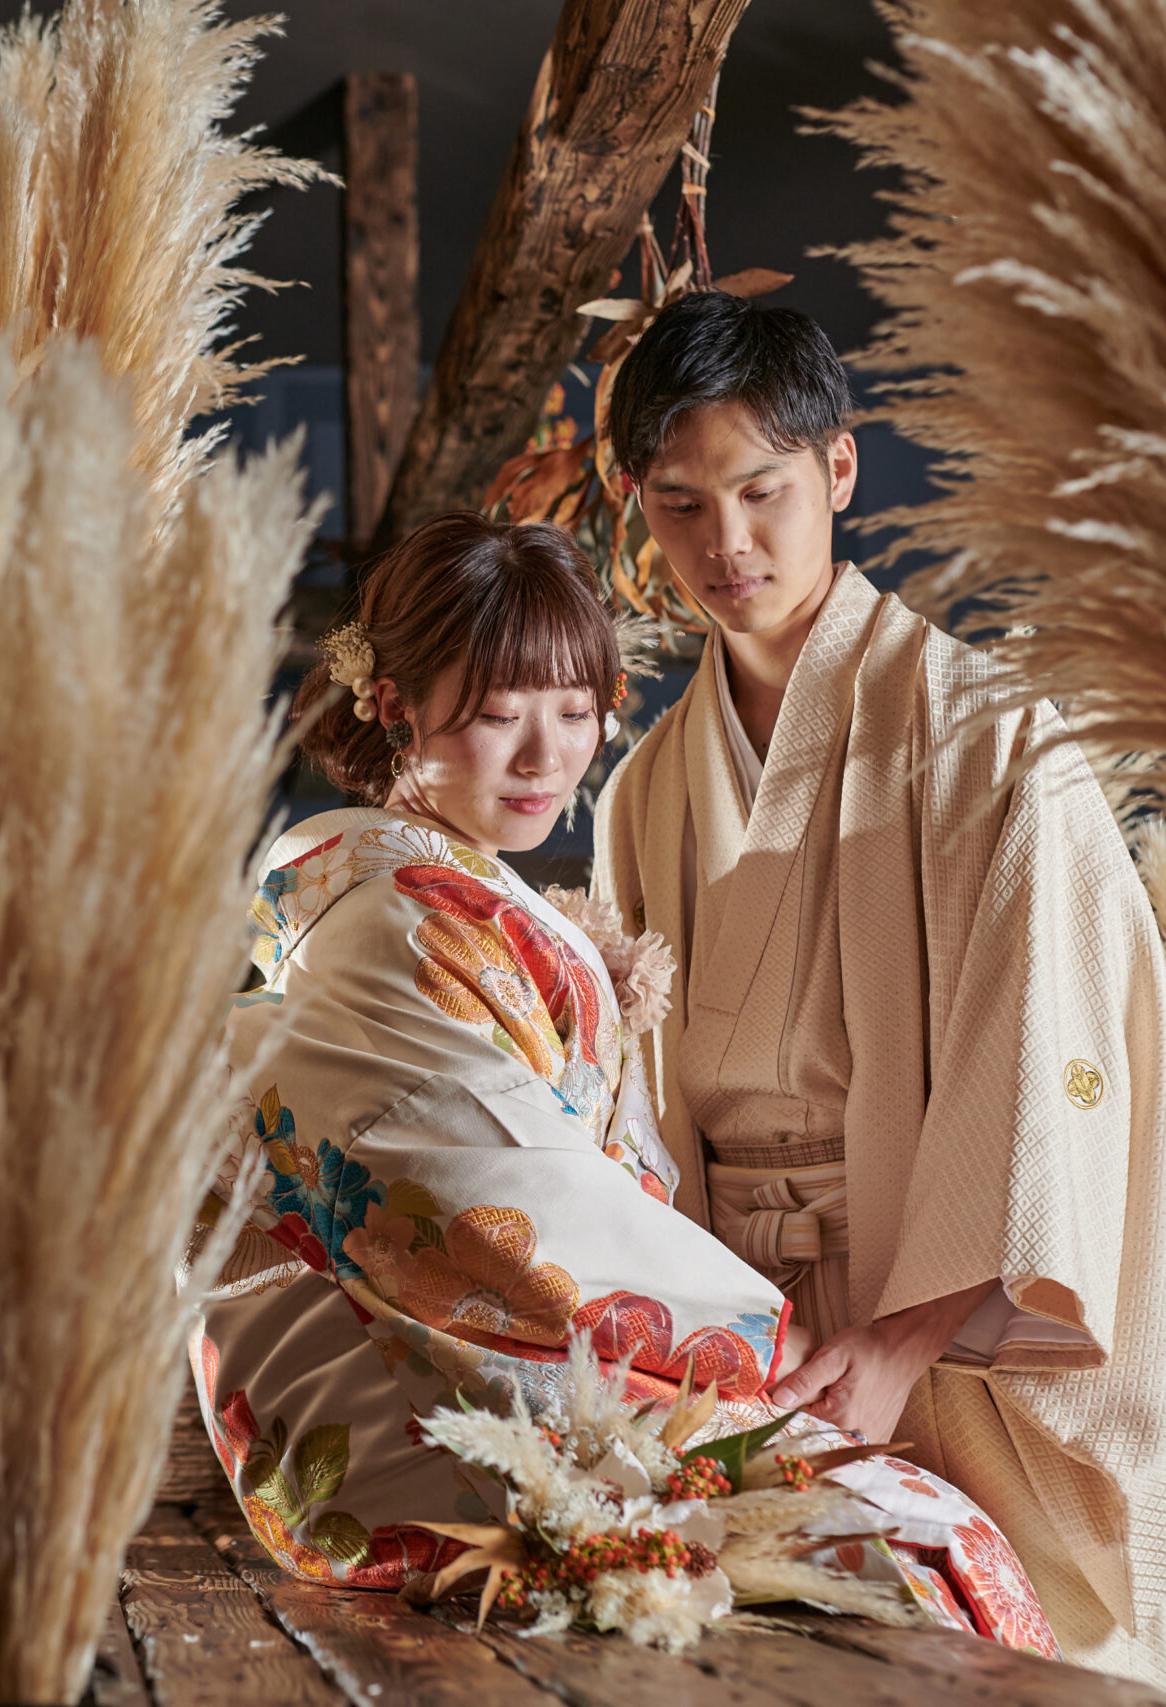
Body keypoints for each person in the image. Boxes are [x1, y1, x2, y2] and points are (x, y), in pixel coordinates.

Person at [193, 512, 1053, 1649]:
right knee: (920, 1547)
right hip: (421, 1401)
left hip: (473, 1355)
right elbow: (489, 1192)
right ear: (393, 704)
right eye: (498, 715)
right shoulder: (389, 921)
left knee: (917, 1533)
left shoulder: (421, 890)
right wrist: (759, 1337)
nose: (545, 758)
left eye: (574, 711)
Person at [591, 291, 1166, 1698]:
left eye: (760, 489)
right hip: (745, 1343)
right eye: (680, 503)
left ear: (838, 469)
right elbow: (629, 1114)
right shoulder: (643, 792)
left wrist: (900, 1337)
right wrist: (706, 1333)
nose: (724, 542)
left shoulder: (993, 742)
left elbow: (1051, 1076)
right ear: (639, 505)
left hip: (946, 1334)